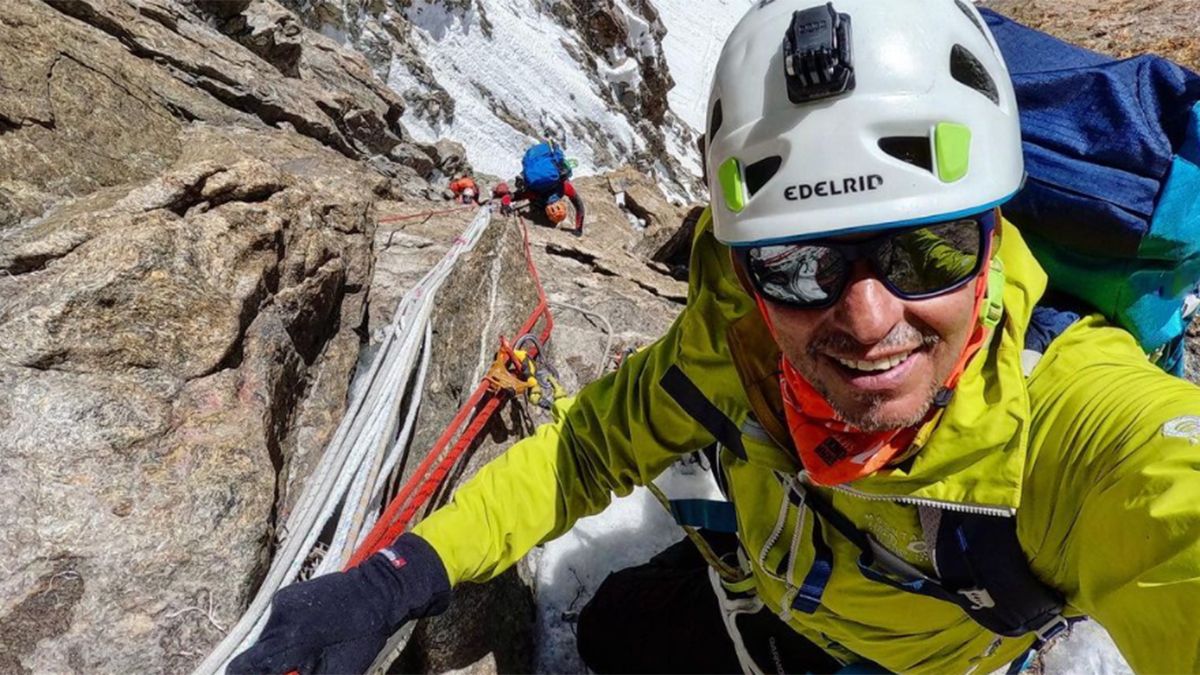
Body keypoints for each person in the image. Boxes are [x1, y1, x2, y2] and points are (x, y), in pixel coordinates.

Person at [230, 1, 1200, 673]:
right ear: (744, 272)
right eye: (799, 265)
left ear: (994, 240)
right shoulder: (737, 343)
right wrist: (396, 579)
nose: (864, 319)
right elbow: (585, 450)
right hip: (761, 597)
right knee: (611, 635)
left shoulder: (1074, 425)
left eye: (926, 251)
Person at [495, 141, 586, 236]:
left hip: (539, 168)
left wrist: (505, 205)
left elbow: (509, 197)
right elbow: (579, 206)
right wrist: (578, 229)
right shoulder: (564, 187)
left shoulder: (536, 192)